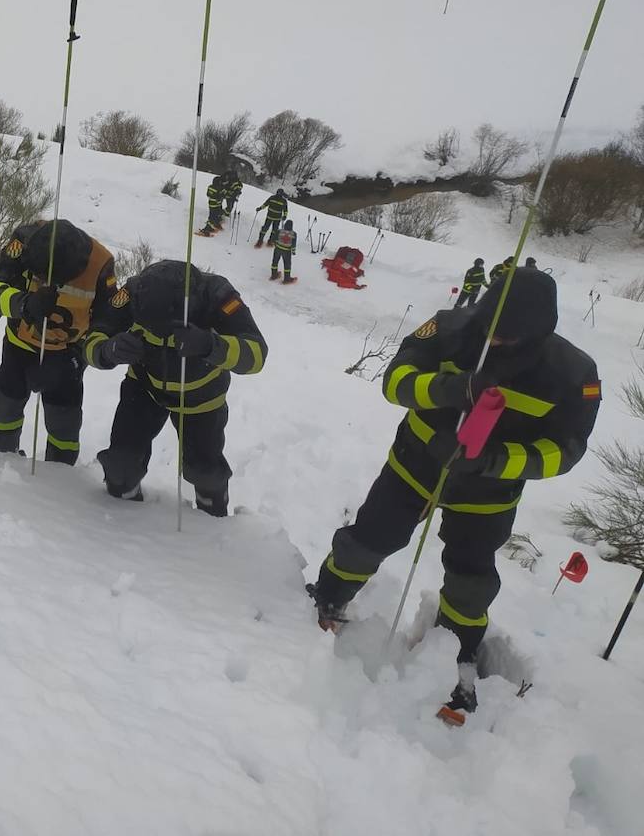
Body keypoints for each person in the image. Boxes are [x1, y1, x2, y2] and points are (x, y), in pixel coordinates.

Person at [307, 268, 600, 718]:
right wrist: (450, 388)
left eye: (506, 336)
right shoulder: (449, 327)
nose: (493, 340)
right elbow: (395, 381)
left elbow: (565, 451)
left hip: (489, 492)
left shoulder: (572, 374)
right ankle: (328, 595)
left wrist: (492, 461)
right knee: (370, 539)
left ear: (536, 333)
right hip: (415, 464)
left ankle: (458, 658)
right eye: (489, 328)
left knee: (470, 579)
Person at [84, 260, 267, 514]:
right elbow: (94, 336)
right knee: (120, 467)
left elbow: (257, 355)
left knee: (206, 473)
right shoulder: (133, 292)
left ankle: (212, 521)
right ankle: (122, 515)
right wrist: (107, 350)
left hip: (202, 398)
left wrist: (210, 345)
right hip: (145, 387)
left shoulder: (217, 295)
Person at [0, 219, 125, 465]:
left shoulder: (101, 263)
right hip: (19, 347)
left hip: (67, 354)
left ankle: (58, 476)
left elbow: (108, 317)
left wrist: (93, 351)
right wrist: (24, 304)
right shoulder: (24, 240)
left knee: (64, 423)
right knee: (2, 411)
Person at [271, 220, 297, 284]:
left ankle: (274, 275)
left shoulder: (279, 231)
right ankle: (287, 279)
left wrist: (275, 244)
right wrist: (293, 251)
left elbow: (274, 239)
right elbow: (293, 244)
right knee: (287, 264)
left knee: (275, 262)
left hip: (277, 249)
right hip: (287, 251)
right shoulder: (293, 234)